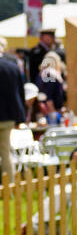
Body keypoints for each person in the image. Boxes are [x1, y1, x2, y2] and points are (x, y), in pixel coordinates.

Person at [0, 40, 25, 182]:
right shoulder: (12, 67)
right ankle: (9, 184)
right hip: (8, 117)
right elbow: (20, 94)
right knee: (6, 152)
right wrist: (20, 118)